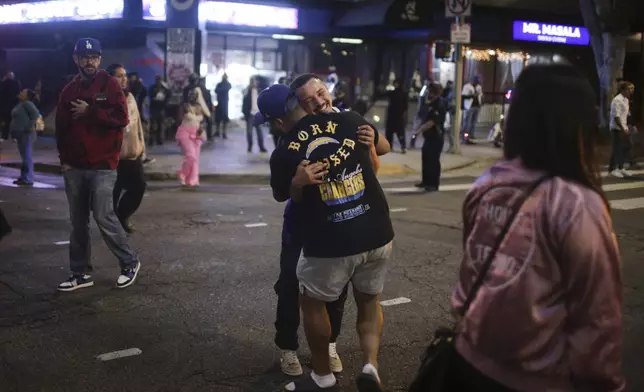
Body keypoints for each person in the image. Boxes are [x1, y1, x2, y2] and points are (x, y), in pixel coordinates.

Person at [450, 64, 624, 391]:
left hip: (467, 361)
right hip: (536, 379)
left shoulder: (488, 183)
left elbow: (474, 270)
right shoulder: (575, 203)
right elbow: (597, 321)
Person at [266, 83, 394, 392]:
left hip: (329, 239)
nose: (319, 101)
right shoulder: (351, 121)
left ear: (279, 121)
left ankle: (322, 375)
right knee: (366, 301)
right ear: (302, 106)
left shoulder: (286, 150)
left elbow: (283, 195)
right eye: (310, 99)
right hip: (377, 232)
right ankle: (369, 365)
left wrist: (374, 138)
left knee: (311, 301)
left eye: (321, 92)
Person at [55, 38, 141, 292]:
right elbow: (61, 129)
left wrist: (91, 111)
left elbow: (121, 118)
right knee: (78, 223)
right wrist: (65, 162)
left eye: (93, 57)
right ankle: (79, 273)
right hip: (75, 167)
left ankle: (129, 262)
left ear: (99, 59)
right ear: (76, 59)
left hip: (103, 166)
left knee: (104, 216)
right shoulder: (69, 90)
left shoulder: (110, 84)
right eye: (84, 57)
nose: (89, 61)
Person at [106, 64, 147, 234]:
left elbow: (137, 126)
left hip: (132, 153)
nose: (124, 79)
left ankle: (122, 215)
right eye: (119, 76)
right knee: (113, 191)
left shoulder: (130, 97)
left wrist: (142, 146)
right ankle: (113, 223)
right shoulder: (106, 99)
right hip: (113, 154)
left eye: (125, 75)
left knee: (139, 186)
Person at [413, 82, 446, 191]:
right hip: (429, 136)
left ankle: (433, 184)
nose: (428, 92)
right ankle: (426, 181)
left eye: (430, 91)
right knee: (426, 157)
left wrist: (419, 131)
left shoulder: (439, 103)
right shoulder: (430, 102)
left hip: (436, 136)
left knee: (433, 160)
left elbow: (432, 122)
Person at [176, 88, 208, 188]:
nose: (192, 96)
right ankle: (182, 173)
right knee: (191, 156)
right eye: (191, 94)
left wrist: (201, 130)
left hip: (196, 135)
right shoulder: (184, 106)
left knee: (195, 159)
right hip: (184, 134)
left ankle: (192, 180)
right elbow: (180, 119)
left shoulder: (199, 107)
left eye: (195, 94)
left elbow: (204, 120)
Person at [10, 89, 40, 186]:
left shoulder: (28, 103)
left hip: (26, 134)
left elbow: (36, 115)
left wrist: (28, 127)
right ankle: (24, 177)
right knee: (24, 157)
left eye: (23, 92)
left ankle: (28, 178)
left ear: (27, 96)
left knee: (27, 156)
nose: (20, 92)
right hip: (21, 135)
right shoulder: (21, 104)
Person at [608, 81, 635, 178]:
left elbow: (626, 114)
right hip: (616, 128)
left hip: (624, 127)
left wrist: (630, 125)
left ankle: (620, 167)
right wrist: (622, 128)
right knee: (617, 148)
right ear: (623, 90)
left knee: (626, 146)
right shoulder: (617, 100)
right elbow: (616, 117)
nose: (631, 91)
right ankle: (613, 169)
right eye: (629, 89)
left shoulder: (626, 100)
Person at [242, 76, 267, 153]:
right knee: (249, 132)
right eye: (252, 81)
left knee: (260, 132)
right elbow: (244, 99)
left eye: (254, 81)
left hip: (258, 114)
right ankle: (250, 146)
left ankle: (261, 147)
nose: (253, 82)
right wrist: (245, 113)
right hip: (250, 115)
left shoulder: (260, 90)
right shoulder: (247, 90)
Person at [385, 79, 408, 153]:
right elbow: (384, 94)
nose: (396, 85)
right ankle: (389, 146)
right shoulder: (392, 93)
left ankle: (403, 147)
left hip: (399, 116)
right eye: (395, 83)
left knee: (400, 133)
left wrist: (404, 116)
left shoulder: (403, 94)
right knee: (389, 132)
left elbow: (405, 106)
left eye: (397, 83)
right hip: (391, 115)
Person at [148, 75, 171, 146]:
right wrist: (154, 98)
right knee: (152, 125)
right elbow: (150, 95)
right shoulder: (152, 88)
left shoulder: (165, 88)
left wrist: (165, 102)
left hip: (161, 109)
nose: (158, 81)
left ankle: (159, 140)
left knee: (160, 125)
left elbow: (169, 95)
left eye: (159, 80)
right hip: (153, 108)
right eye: (157, 80)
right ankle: (151, 140)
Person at [0, 70, 22, 141]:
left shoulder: (16, 83)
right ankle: (4, 136)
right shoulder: (4, 83)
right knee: (4, 121)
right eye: (8, 75)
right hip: (4, 105)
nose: (9, 76)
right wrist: (2, 81)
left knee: (14, 122)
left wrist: (17, 104)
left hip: (13, 104)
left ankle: (14, 136)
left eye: (10, 75)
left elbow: (18, 93)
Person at [461, 75, 482, 143]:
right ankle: (464, 137)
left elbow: (480, 95)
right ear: (472, 80)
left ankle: (471, 135)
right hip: (469, 106)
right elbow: (463, 96)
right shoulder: (466, 86)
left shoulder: (479, 87)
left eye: (478, 81)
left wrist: (481, 102)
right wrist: (472, 96)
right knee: (467, 122)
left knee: (474, 122)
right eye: (476, 81)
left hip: (477, 106)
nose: (477, 82)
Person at [214, 74, 231, 139]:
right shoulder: (219, 84)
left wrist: (220, 90)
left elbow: (224, 89)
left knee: (224, 119)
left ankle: (224, 132)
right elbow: (216, 90)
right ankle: (217, 131)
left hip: (225, 104)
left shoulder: (228, 84)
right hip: (219, 103)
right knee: (218, 119)